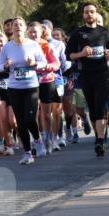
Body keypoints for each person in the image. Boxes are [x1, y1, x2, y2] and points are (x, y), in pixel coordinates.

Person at [66, 3, 109, 157]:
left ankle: (100, 141)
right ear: (83, 15)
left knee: (101, 107)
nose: (89, 14)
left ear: (96, 14)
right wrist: (81, 54)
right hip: (86, 75)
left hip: (103, 74)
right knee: (93, 110)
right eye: (86, 12)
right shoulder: (78, 33)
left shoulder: (105, 32)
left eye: (92, 12)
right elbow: (69, 55)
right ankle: (98, 136)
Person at [0, 17, 47, 165]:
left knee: (30, 119)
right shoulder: (7, 47)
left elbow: (44, 62)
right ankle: (27, 153)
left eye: (20, 25)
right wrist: (5, 65)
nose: (17, 27)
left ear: (24, 28)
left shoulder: (33, 45)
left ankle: (38, 141)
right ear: (11, 29)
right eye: (14, 25)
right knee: (20, 122)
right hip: (14, 88)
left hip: (31, 87)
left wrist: (35, 63)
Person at [39, 21, 67, 152]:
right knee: (44, 112)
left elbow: (64, 62)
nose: (44, 31)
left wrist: (60, 67)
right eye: (41, 29)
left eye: (45, 29)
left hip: (57, 79)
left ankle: (55, 138)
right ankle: (45, 137)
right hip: (42, 80)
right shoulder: (34, 44)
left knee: (56, 111)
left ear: (50, 29)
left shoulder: (58, 44)